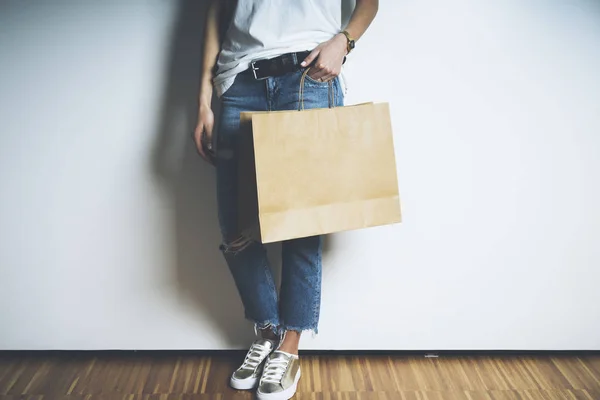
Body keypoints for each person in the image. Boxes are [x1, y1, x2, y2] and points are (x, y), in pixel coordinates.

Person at [193, 1, 378, 399]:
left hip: (308, 73)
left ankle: (289, 346)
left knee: (303, 222)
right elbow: (216, 13)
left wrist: (343, 42)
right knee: (236, 225)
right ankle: (267, 330)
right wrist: (204, 99)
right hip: (239, 80)